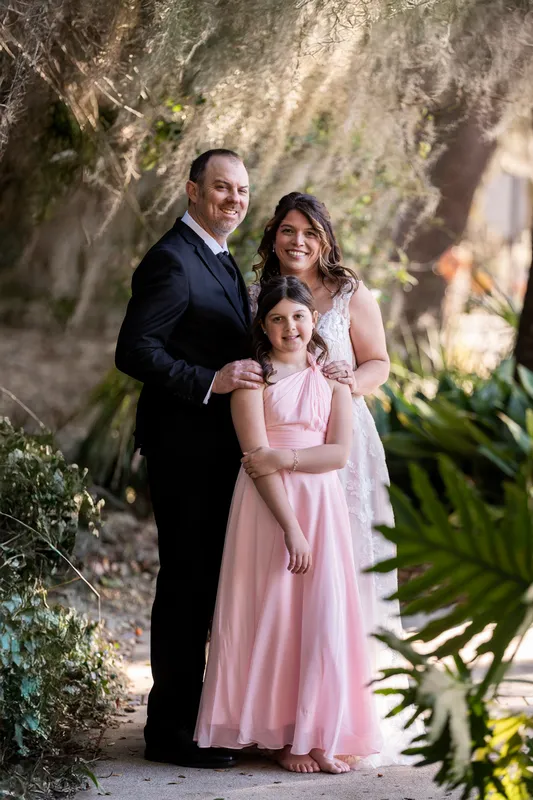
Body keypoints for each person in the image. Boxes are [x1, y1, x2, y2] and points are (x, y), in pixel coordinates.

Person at [194, 276, 382, 773]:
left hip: (322, 506)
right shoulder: (253, 381)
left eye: (298, 316)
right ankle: (283, 737)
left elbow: (339, 453)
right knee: (276, 614)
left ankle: (318, 731)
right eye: (277, 318)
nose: (289, 327)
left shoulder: (334, 380)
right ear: (264, 325)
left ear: (313, 320)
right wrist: (290, 528)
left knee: (321, 618)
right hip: (269, 509)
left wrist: (287, 456)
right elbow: (256, 461)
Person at [115, 149, 264, 768]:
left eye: (242, 190)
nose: (233, 199)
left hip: (217, 452)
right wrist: (211, 380)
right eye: (222, 188)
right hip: (183, 449)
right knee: (185, 585)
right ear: (192, 190)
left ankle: (199, 713)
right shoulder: (172, 260)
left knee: (206, 585)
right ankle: (169, 732)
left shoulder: (221, 257)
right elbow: (134, 350)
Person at [249, 193, 410, 766]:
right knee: (291, 579)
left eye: (309, 232)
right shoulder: (259, 296)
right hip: (286, 444)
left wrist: (351, 379)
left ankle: (344, 714)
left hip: (344, 442)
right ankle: (288, 714)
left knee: (346, 576)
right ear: (273, 235)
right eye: (288, 230)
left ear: (325, 239)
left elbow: (381, 362)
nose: (298, 242)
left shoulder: (348, 292)